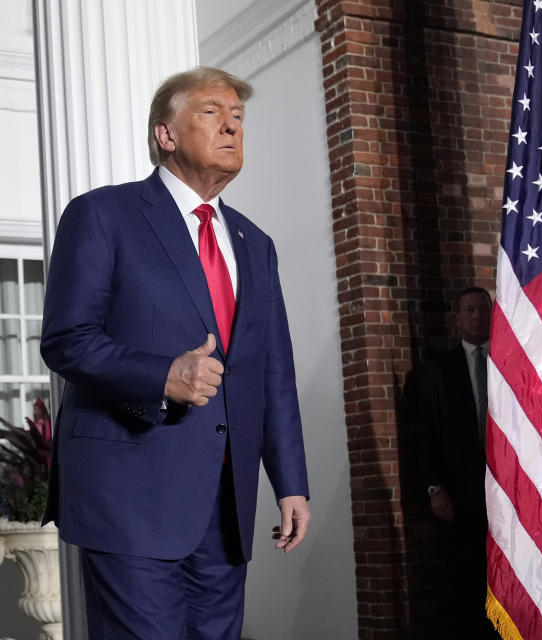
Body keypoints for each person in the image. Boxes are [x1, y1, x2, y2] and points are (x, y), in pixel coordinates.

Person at [40, 66, 310, 639]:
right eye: (212, 112)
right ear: (166, 134)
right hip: (129, 496)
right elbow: (67, 339)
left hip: (225, 506)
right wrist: (164, 375)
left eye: (238, 116)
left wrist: (290, 482)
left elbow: (272, 374)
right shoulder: (102, 215)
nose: (232, 126)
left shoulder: (254, 244)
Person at [414, 286, 497, 638]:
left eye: (483, 309)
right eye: (470, 310)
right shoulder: (437, 371)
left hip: (507, 488)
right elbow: (425, 433)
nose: (477, 315)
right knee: (466, 576)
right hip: (460, 491)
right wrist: (436, 488)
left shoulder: (509, 362)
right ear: (457, 318)